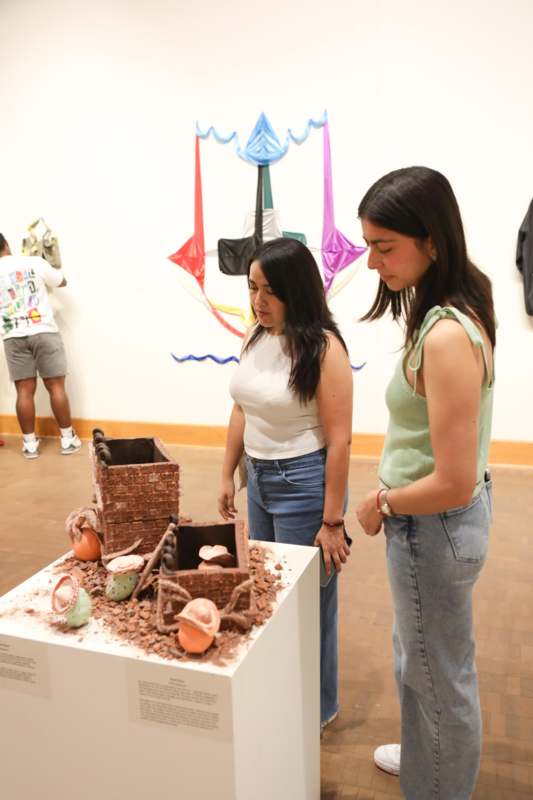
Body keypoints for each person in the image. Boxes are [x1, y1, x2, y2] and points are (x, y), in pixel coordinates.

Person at [355, 167, 495, 799]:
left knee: (440, 676)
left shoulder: (443, 336)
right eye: (369, 245)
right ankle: (424, 760)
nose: (372, 262)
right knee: (420, 661)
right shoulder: (449, 309)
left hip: (431, 526)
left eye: (385, 247)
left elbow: (455, 481)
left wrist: (383, 500)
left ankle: (437, 785)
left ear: (431, 240)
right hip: (431, 529)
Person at [217, 237, 353, 731]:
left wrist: (332, 521)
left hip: (305, 482)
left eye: (270, 291)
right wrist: (227, 473)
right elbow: (241, 408)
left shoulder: (323, 347)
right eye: (253, 288)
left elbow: (340, 442)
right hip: (259, 478)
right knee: (270, 591)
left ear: (297, 290)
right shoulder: (255, 337)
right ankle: (279, 690)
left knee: (309, 601)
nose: (259, 301)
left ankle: (316, 709)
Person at [0, 232, 81, 458]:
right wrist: (50, 263)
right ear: (6, 243)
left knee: (24, 391)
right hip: (43, 330)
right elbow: (61, 281)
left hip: (12, 335)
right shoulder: (33, 262)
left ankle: (29, 444)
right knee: (56, 387)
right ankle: (67, 439)